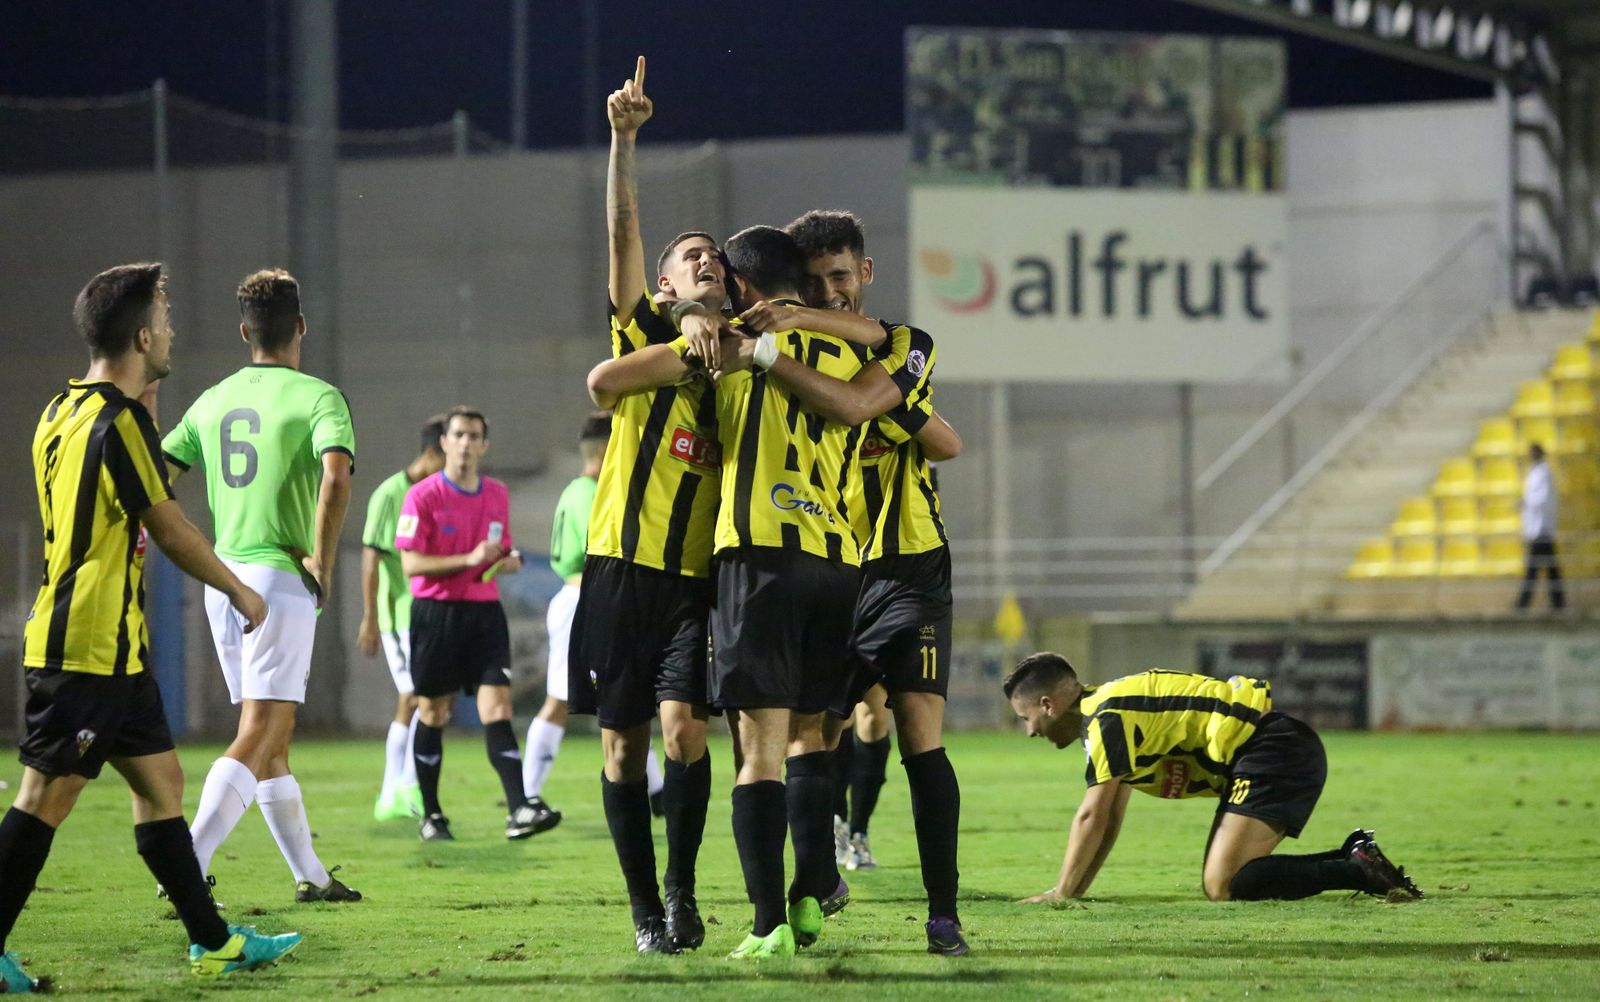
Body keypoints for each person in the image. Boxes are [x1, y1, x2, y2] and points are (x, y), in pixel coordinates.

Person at [2, 263, 300, 993]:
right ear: (140, 335)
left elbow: (105, 503)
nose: (171, 330)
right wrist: (240, 591)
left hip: (111, 649)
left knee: (163, 783)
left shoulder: (60, 412)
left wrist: (147, 406)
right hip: (87, 648)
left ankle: (214, 942)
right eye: (163, 320)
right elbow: (166, 525)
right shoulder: (121, 421)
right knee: (44, 799)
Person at [740, 207, 968, 954]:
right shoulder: (794, 353)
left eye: (840, 276)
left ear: (864, 273)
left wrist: (890, 403)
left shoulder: (903, 346)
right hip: (834, 563)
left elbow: (945, 441)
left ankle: (943, 914)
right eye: (813, 282)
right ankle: (818, 881)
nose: (829, 292)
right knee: (814, 731)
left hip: (910, 566)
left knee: (915, 730)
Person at [567, 56, 722, 954]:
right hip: (617, 575)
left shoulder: (737, 364)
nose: (703, 259)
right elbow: (624, 227)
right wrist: (624, 140)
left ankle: (683, 888)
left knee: (685, 730)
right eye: (687, 256)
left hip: (692, 583)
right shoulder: (645, 332)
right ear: (665, 287)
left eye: (714, 257)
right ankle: (641, 912)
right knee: (622, 750)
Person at [697, 225, 871, 959]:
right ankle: (808, 894)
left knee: (757, 751)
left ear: (742, 287)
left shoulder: (733, 342)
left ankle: (767, 923)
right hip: (836, 559)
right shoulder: (850, 348)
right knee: (810, 739)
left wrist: (696, 313)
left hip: (760, 554)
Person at [163, 268, 360, 904]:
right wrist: (324, 563)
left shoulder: (212, 398)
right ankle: (186, 868)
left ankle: (313, 876)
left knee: (272, 740)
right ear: (300, 326)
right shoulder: (320, 397)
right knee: (260, 733)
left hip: (221, 580)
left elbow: (153, 473)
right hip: (277, 581)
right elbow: (336, 478)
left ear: (244, 330)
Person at [1002, 653, 1422, 903]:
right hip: (1268, 751)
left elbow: (1092, 815)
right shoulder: (1108, 715)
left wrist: (1061, 893)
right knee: (1225, 881)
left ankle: (1356, 869)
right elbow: (1109, 818)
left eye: (1027, 718)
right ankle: (1357, 860)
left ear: (1048, 704)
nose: (1030, 731)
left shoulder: (1106, 718)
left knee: (1223, 884)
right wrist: (1073, 892)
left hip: (1272, 750)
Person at [397, 406, 544, 841]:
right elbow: (411, 564)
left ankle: (518, 809)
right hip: (436, 615)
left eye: (473, 436)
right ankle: (432, 814)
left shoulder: (497, 494)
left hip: (484, 615)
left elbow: (499, 553)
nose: (465, 442)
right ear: (444, 442)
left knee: (498, 708)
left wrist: (507, 562)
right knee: (434, 712)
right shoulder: (422, 496)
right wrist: (468, 559)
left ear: (484, 445)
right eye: (457, 434)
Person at [523, 409, 667, 826]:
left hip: (576, 596)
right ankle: (526, 796)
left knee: (624, 696)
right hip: (587, 598)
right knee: (561, 702)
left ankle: (658, 792)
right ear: (607, 448)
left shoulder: (573, 491)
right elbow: (603, 554)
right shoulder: (593, 494)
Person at [359, 413, 448, 821]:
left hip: (429, 614)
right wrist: (368, 618)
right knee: (414, 697)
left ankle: (400, 791)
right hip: (397, 616)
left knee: (423, 700)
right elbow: (371, 559)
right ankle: (392, 791)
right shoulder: (390, 494)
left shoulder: (435, 495)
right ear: (432, 452)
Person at [1516, 442, 1564, 610]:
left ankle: (1522, 605)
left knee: (1534, 569)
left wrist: (1525, 502)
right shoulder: (1536, 472)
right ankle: (1558, 603)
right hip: (1538, 528)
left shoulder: (1544, 473)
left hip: (1542, 528)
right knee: (1550, 569)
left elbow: (1541, 498)